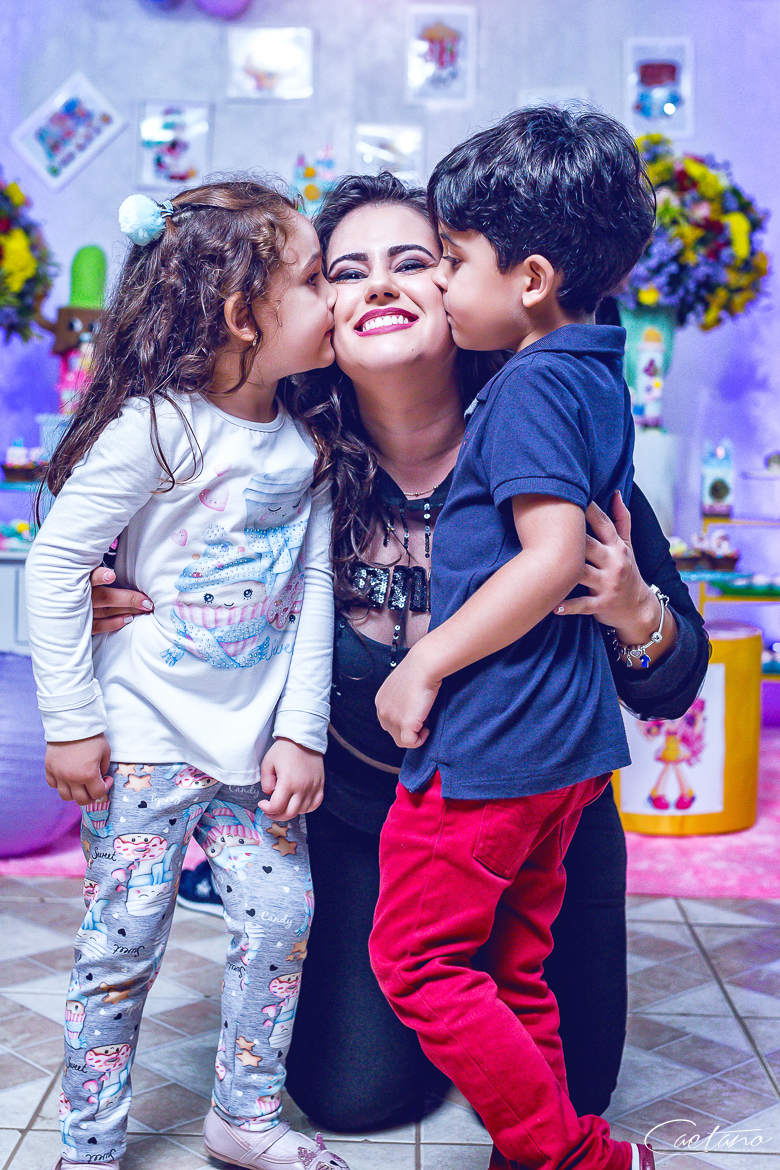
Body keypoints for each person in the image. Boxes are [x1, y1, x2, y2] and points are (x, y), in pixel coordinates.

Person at [88, 173, 708, 1134]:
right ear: (310, 314)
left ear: (466, 288)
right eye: (345, 271)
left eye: (415, 261)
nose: (379, 284)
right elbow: (126, 498)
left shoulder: (548, 437)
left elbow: (674, 685)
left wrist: (635, 611)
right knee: (351, 1098)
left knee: (575, 1095)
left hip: (542, 829)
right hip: (371, 831)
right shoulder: (276, 471)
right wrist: (104, 581)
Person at [25, 180, 350, 1170]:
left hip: (253, 754)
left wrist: (299, 730)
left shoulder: (306, 444)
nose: (335, 297)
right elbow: (53, 565)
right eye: (315, 279)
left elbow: (315, 587)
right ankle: (89, 1146)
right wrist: (71, 720)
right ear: (243, 311)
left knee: (282, 919)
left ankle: (243, 1118)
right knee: (121, 948)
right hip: (145, 744)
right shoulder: (155, 428)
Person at [368, 108, 657, 1170]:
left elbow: (548, 557)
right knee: (512, 964)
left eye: (450, 259)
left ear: (530, 278)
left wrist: (424, 661)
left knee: (414, 961)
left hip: (499, 742)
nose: (439, 282)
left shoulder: (530, 384)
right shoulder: (592, 369)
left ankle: (570, 1157)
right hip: (566, 747)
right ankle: (552, 1145)